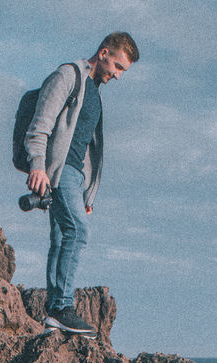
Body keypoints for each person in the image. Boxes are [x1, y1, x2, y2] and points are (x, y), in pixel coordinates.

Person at [23, 32, 140, 337]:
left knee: (62, 236)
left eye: (123, 71)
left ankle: (53, 314)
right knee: (78, 231)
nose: (118, 75)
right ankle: (62, 308)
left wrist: (88, 193)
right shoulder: (68, 75)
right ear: (103, 53)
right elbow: (41, 123)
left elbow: (87, 146)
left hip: (75, 177)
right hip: (58, 173)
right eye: (117, 66)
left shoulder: (95, 92)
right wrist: (38, 166)